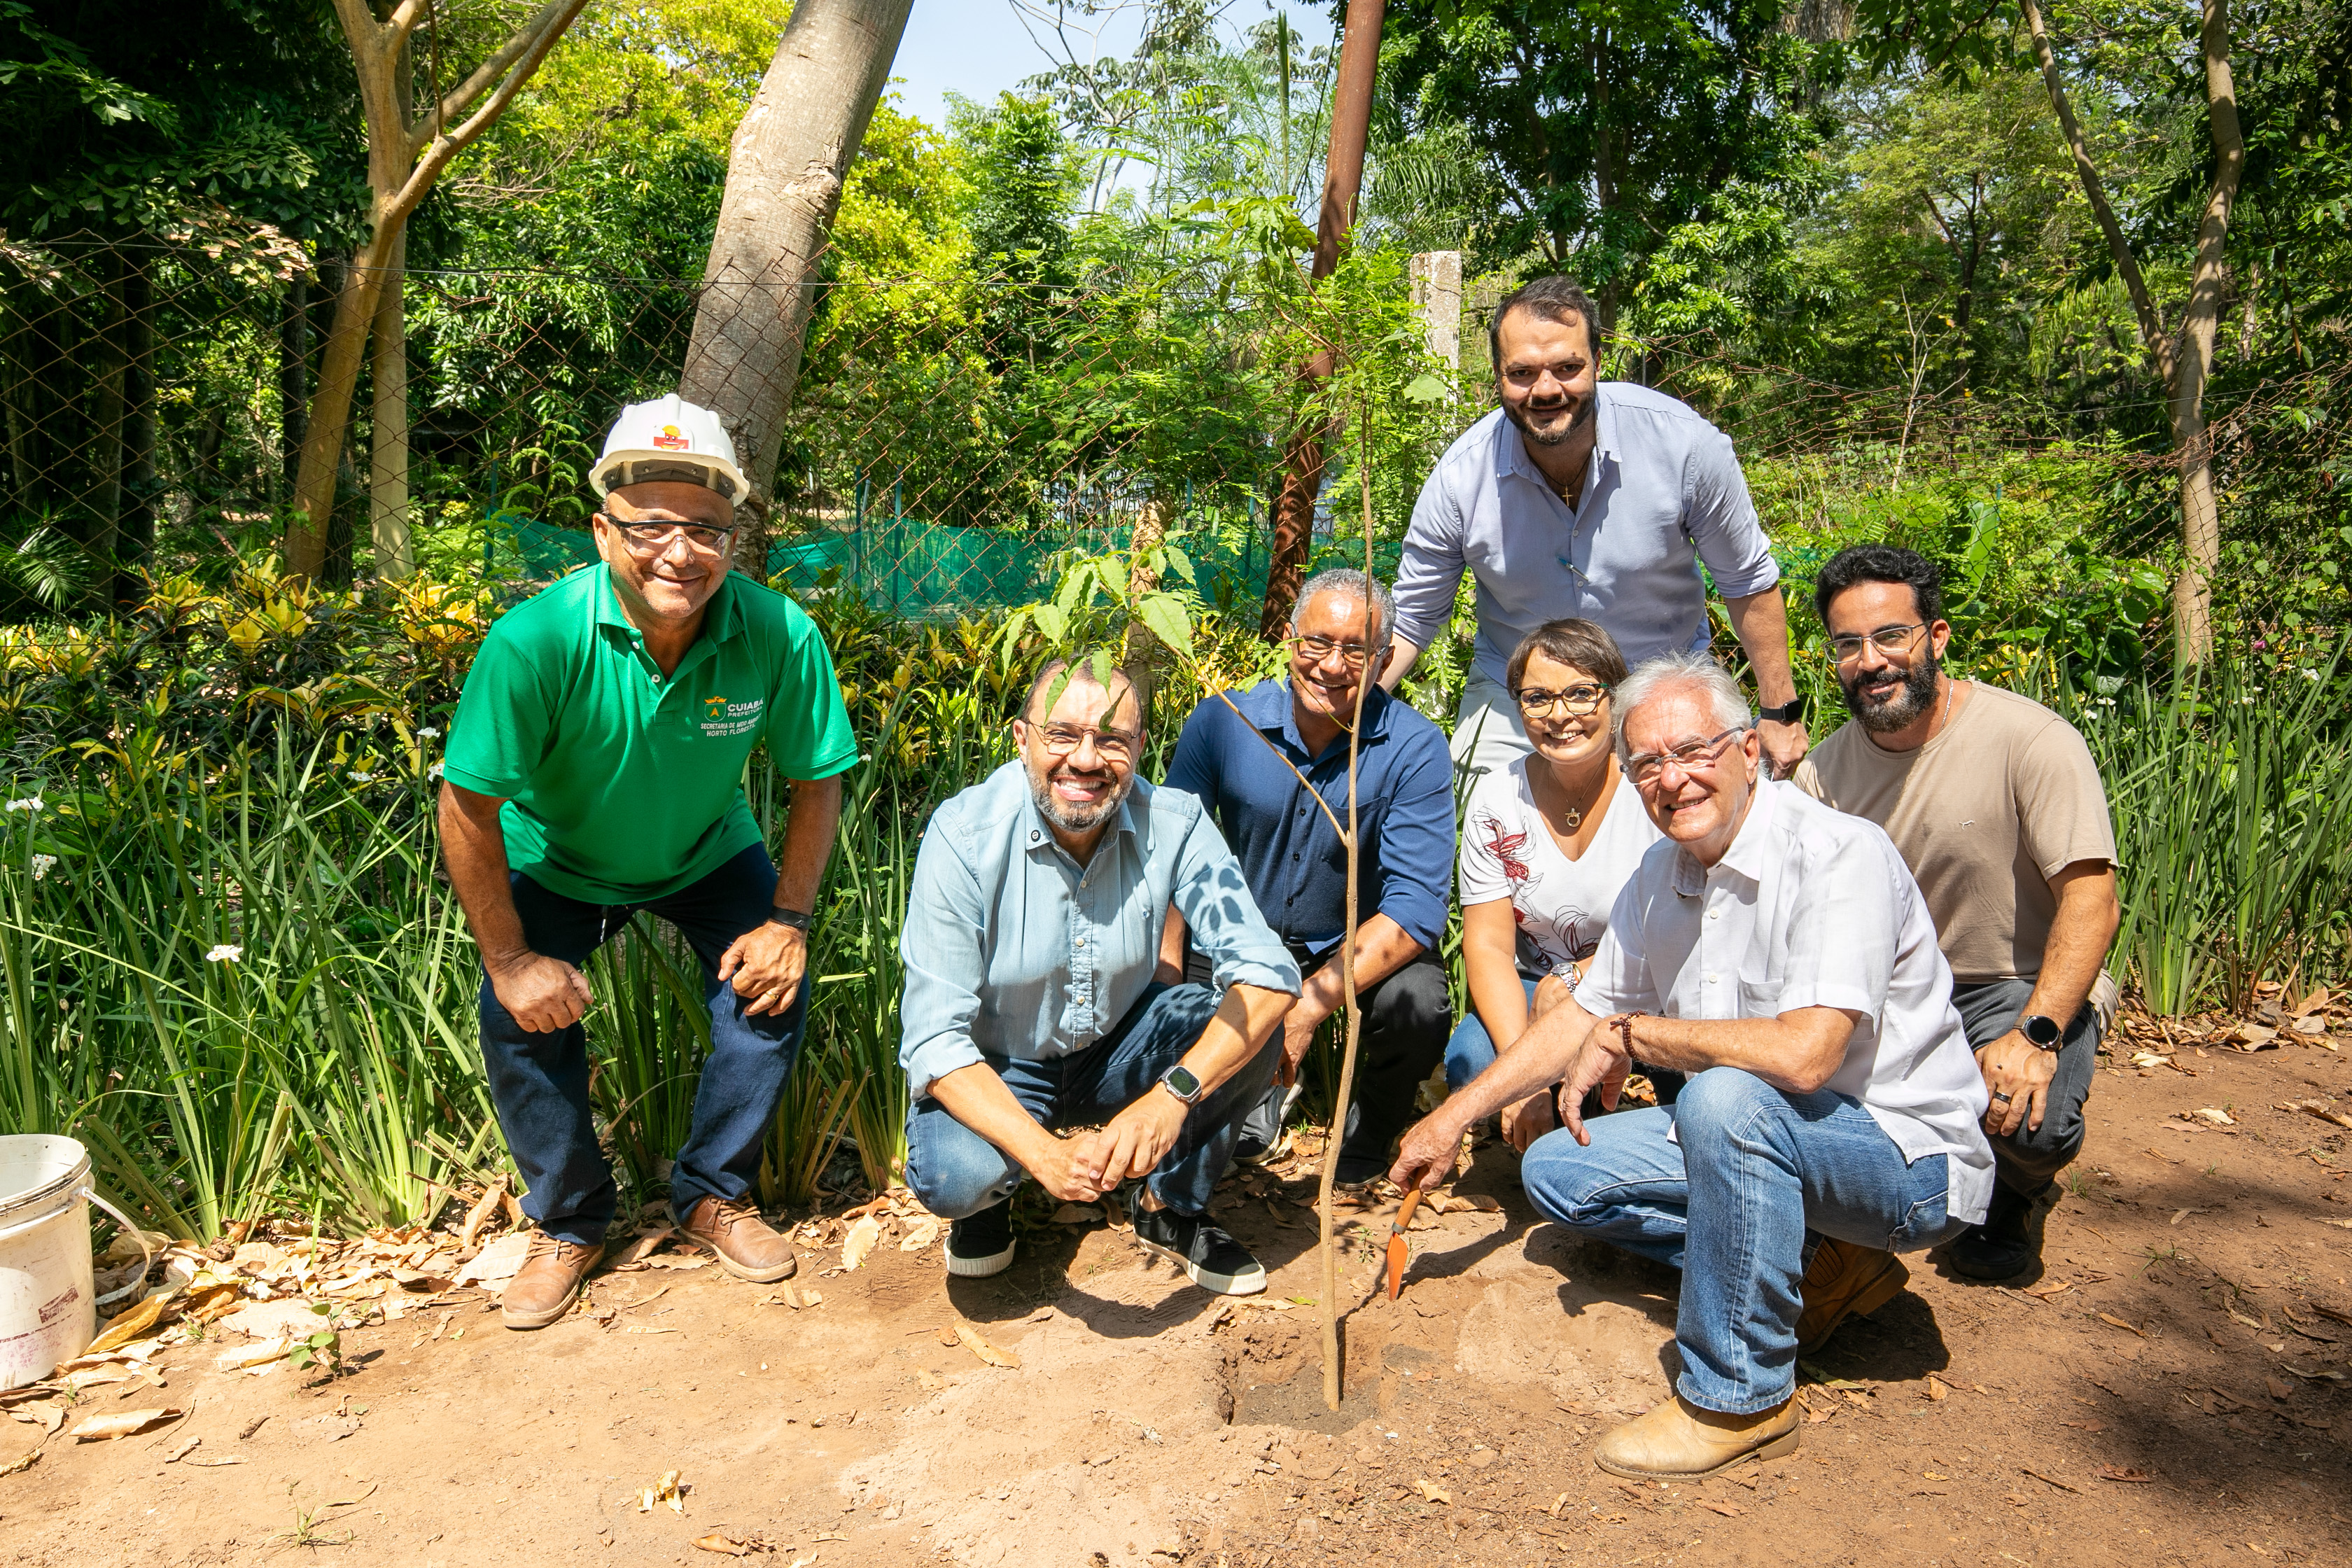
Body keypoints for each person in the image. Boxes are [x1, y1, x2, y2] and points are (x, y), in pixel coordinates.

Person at [1391, 651, 1994, 1480]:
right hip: (1770, 1135)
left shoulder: (1836, 853)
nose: (1671, 778)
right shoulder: (1661, 873)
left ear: (1748, 750)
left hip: (1902, 1157)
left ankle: (1741, 1397)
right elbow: (1582, 1015)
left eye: (1692, 751)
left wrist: (1637, 1034)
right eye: (1647, 762)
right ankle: (1822, 1263)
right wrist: (1448, 1119)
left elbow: (1806, 1055)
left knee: (1722, 1097)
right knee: (1560, 1170)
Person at [440, 394, 858, 1330]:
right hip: (558, 854)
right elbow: (466, 805)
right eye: (650, 526)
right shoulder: (536, 641)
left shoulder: (779, 633)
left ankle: (712, 1194)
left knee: (769, 990)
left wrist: (788, 922)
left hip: (706, 847)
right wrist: (511, 959)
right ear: (603, 532)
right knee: (517, 1019)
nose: (680, 551)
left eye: (706, 529)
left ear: (733, 541)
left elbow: (817, 779)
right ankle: (570, 1220)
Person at [897, 654, 1302, 1294]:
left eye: (1112, 740)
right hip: (1000, 1061)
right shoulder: (965, 835)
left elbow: (1269, 973)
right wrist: (1045, 1155)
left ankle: (1168, 1205)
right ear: (1022, 738)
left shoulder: (1176, 822)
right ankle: (992, 1199)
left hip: (1119, 1046)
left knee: (1257, 1023)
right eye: (1062, 734)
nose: (1086, 760)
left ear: (1139, 749)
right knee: (957, 1176)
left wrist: (1172, 1097)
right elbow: (935, 1040)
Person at [1795, 545, 2120, 1281]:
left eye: (1891, 636)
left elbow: (2093, 898)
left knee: (2032, 1127)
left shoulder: (2030, 740)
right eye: (1848, 644)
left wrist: (2037, 1032)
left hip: (2011, 980)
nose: (1870, 661)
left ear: (1936, 637)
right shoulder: (1823, 775)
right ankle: (1855, 1213)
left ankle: (2014, 1191)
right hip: (1890, 990)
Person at [1380, 274, 1809, 783]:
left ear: (1598, 364)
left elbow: (1746, 580)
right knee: (1485, 818)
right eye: (1522, 373)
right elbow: (1413, 617)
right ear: (1498, 376)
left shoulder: (1684, 446)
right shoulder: (1460, 479)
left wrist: (1781, 713)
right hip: (1518, 697)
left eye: (1567, 368)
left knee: (1706, 813)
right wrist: (1350, 716)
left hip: (1662, 680)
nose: (1546, 390)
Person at [1160, 569, 1455, 1185]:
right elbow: (1171, 852)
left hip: (1350, 941)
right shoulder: (1223, 722)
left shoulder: (1415, 748)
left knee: (1419, 1002)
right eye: (1317, 642)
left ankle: (1367, 1136)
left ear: (1384, 660)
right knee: (1164, 987)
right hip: (1239, 936)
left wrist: (1305, 1008)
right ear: (1289, 639)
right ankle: (1234, 1097)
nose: (1332, 665)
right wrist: (1162, 973)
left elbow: (1416, 909)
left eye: (1357, 650)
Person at [1446, 619, 1664, 1142]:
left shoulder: (1655, 787)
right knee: (1473, 1059)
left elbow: (1682, 923)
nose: (1560, 715)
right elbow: (1490, 945)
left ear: (1615, 697)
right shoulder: (1498, 799)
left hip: (1652, 986)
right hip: (1535, 987)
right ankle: (1553, 1136)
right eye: (1538, 698)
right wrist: (1521, 1078)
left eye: (1581, 694)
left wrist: (1576, 979)